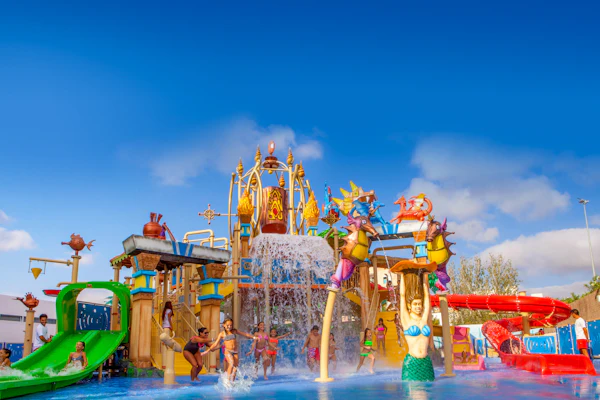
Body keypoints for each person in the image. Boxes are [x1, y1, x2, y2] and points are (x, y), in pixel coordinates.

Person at [399, 271, 434, 381]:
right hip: (412, 362)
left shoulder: (424, 319)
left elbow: (427, 298)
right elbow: (402, 296)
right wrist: (402, 275)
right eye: (415, 304)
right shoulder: (407, 320)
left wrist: (425, 277)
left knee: (429, 390)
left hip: (426, 362)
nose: (418, 306)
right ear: (410, 306)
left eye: (420, 304)